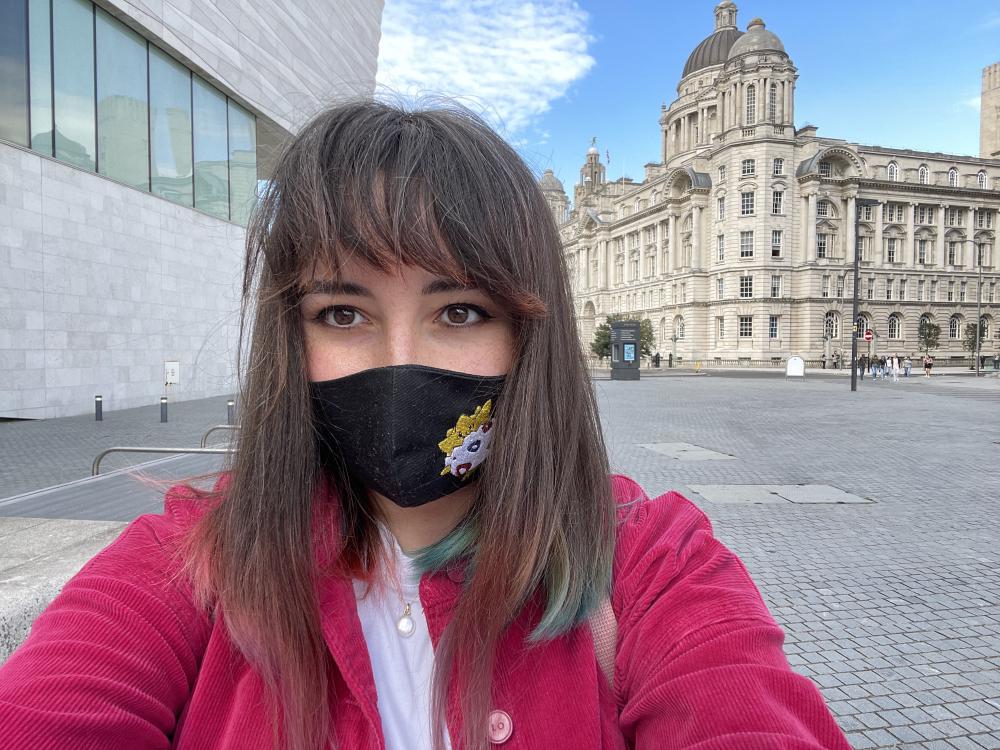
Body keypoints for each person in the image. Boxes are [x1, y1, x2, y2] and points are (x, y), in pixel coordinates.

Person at [0, 102, 851, 750]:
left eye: (459, 310)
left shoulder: (651, 561)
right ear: (289, 336)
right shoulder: (181, 566)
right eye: (342, 312)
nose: (400, 359)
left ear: (527, 331)